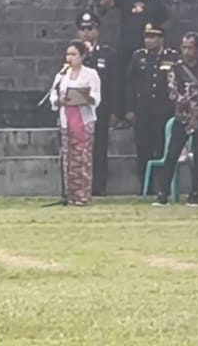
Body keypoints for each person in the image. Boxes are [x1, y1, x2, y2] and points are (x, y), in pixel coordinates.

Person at [152, 31, 198, 206]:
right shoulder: (176, 69)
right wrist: (189, 107)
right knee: (172, 154)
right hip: (182, 117)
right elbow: (173, 92)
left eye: (190, 47)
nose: (187, 51)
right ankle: (163, 193)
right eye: (184, 47)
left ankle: (194, 193)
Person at [100, 0, 168, 127]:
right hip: (126, 47)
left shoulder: (156, 3)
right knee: (123, 80)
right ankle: (122, 114)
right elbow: (106, 3)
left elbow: (164, 24)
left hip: (147, 49)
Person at [125, 23, 181, 197]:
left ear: (161, 38)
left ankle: (162, 187)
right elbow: (129, 84)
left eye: (153, 37)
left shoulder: (171, 57)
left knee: (163, 150)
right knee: (143, 151)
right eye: (146, 37)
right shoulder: (138, 57)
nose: (149, 41)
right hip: (143, 111)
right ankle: (145, 188)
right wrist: (128, 109)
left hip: (164, 111)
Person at [48, 41, 101, 206]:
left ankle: (82, 194)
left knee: (82, 158)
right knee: (68, 158)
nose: (70, 58)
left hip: (83, 119)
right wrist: (59, 101)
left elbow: (96, 97)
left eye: (73, 54)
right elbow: (53, 95)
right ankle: (69, 194)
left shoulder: (90, 74)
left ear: (82, 56)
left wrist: (85, 97)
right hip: (66, 119)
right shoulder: (61, 75)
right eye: (68, 54)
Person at [76, 12, 117, 195]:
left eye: (90, 28)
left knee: (99, 149)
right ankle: (79, 186)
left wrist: (115, 110)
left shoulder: (106, 53)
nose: (86, 33)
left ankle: (99, 188)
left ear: (97, 30)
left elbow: (115, 83)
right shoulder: (74, 54)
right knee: (79, 150)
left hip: (101, 108)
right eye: (83, 29)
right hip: (78, 109)